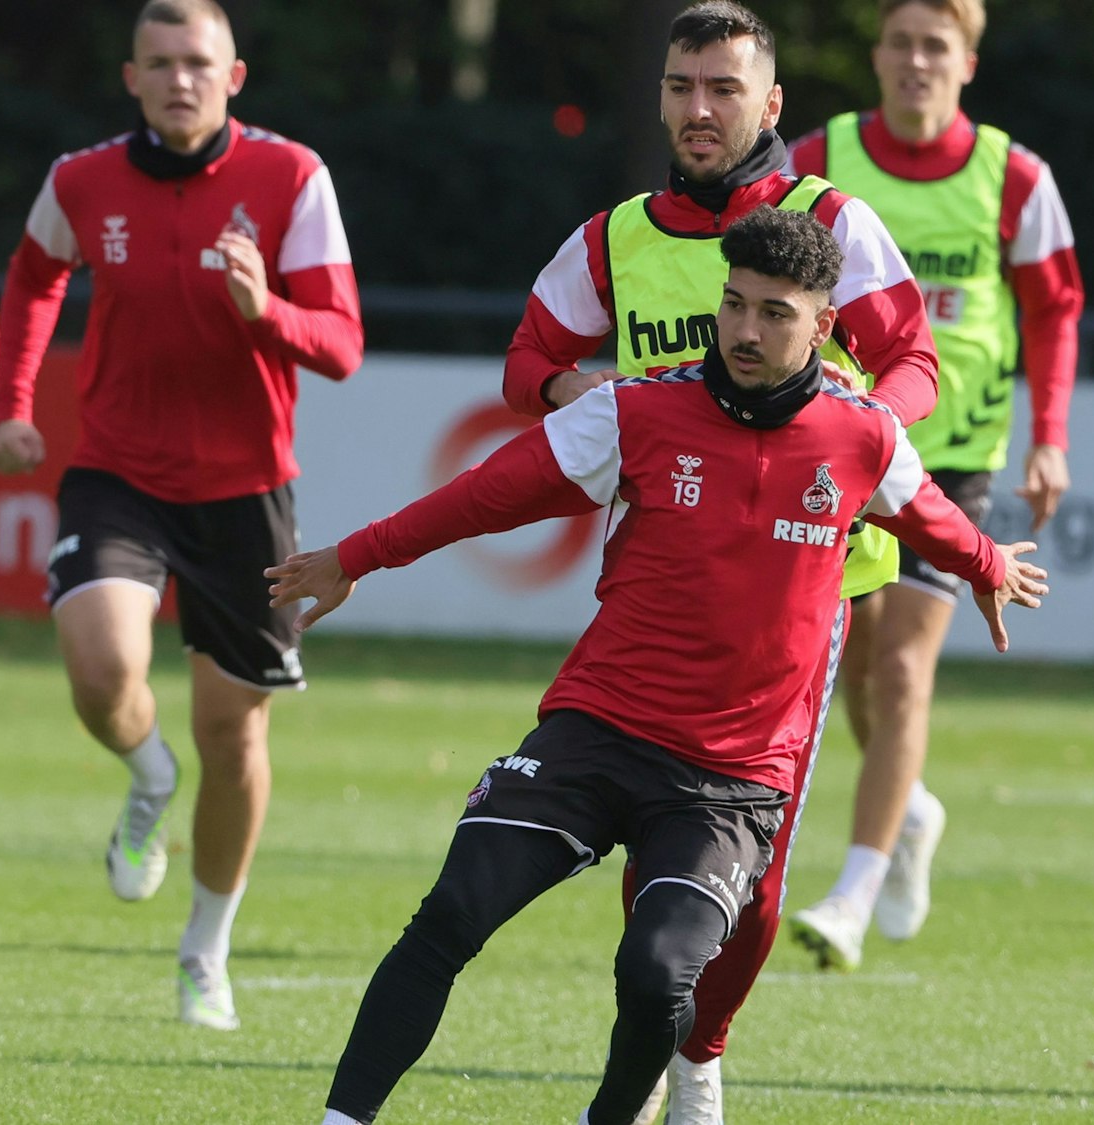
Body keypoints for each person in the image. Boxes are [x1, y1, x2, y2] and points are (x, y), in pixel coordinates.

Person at [278, 208, 1047, 1125]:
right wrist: (356, 555)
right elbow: (486, 495)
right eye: (735, 305)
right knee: (452, 909)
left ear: (825, 327)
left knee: (656, 974)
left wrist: (989, 565)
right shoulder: (636, 409)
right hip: (597, 731)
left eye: (775, 313)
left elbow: (931, 517)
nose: (746, 331)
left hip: (728, 780)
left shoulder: (864, 437)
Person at [503, 2, 939, 1117]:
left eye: (724, 89)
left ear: (770, 103)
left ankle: (701, 1052)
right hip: (658, 587)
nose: (699, 109)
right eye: (680, 86)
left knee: (751, 874)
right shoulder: (615, 236)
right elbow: (528, 361)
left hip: (804, 596)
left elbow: (913, 363)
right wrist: (584, 391)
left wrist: (856, 439)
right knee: (656, 847)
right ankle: (660, 1039)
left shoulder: (829, 219)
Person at [0, 0, 362, 1030]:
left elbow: (340, 343)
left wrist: (264, 309)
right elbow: (31, 278)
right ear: (132, 79)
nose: (179, 79)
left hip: (246, 494)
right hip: (117, 475)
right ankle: (147, 779)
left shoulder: (291, 177)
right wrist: (13, 405)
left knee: (231, 735)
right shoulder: (81, 180)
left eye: (197, 62)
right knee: (103, 671)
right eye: (159, 64)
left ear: (232, 77)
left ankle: (205, 949)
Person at [782, 0, 1084, 970]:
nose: (916, 61)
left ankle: (852, 894)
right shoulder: (817, 160)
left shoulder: (1013, 177)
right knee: (855, 666)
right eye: (901, 43)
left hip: (951, 455)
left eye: (935, 46)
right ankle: (907, 808)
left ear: (967, 64)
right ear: (875, 56)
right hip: (843, 444)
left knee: (906, 669)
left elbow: (1053, 310)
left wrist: (1049, 437)